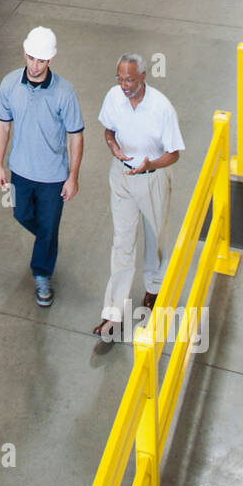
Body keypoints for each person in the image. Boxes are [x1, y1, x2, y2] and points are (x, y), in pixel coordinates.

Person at [93, 54, 184, 341]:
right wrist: (112, 146)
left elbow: (173, 154)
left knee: (155, 237)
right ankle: (112, 313)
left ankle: (154, 287)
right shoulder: (113, 97)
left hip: (152, 179)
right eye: (120, 79)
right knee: (122, 241)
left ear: (144, 76)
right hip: (121, 177)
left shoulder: (161, 108)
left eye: (130, 79)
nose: (124, 85)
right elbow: (109, 130)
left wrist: (150, 165)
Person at [0, 27, 84, 308]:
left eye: (41, 61)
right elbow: (2, 124)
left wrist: (73, 176)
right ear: (24, 52)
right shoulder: (9, 85)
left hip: (53, 176)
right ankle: (47, 240)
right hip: (20, 170)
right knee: (21, 214)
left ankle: (42, 273)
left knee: (47, 226)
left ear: (51, 60)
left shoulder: (64, 92)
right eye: (31, 58)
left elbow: (76, 134)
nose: (34, 66)